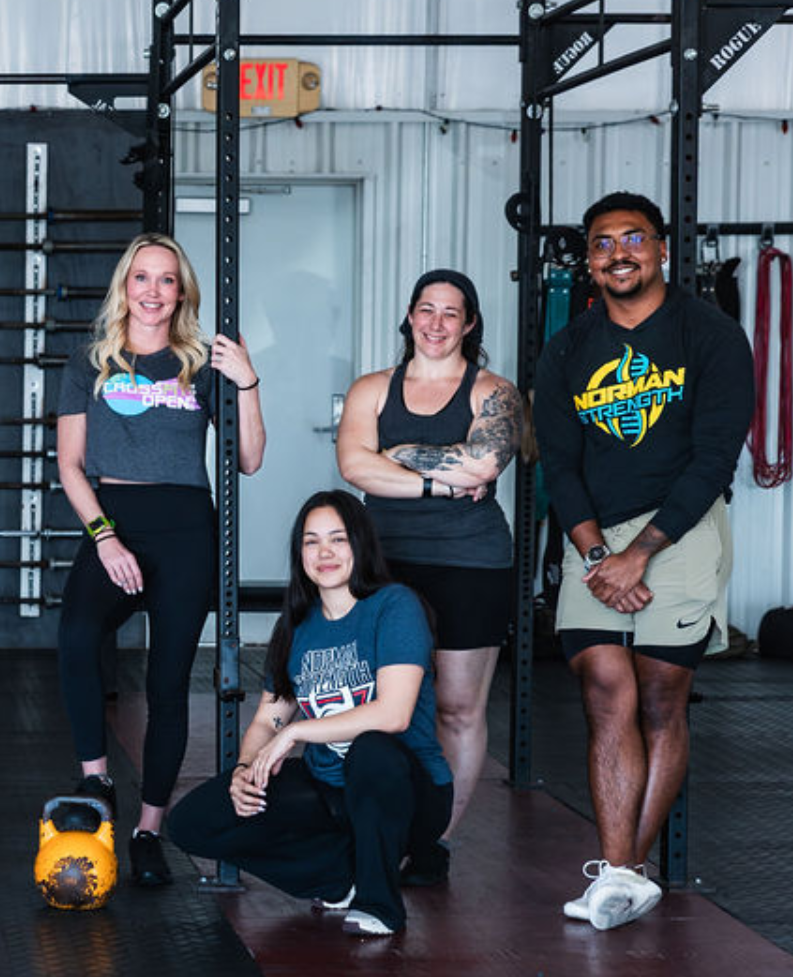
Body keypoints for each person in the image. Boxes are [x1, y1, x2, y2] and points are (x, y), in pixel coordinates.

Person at [535, 191, 753, 931]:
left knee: (661, 699)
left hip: (681, 532)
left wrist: (642, 554)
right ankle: (624, 874)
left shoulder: (713, 336)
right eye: (602, 242)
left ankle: (620, 874)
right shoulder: (566, 348)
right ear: (588, 261)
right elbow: (559, 467)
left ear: (661, 249)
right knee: (604, 690)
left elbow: (714, 456)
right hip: (594, 540)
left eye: (634, 238)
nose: (618, 252)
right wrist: (599, 553)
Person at [55, 232, 265, 887]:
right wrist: (105, 537)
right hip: (114, 519)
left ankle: (149, 831)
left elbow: (249, 459)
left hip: (183, 527)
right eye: (141, 278)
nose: (152, 291)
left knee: (169, 683)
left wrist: (248, 380)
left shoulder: (200, 364)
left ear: (182, 292)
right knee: (77, 637)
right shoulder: (89, 361)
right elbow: (69, 464)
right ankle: (97, 784)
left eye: (165, 280)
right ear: (125, 286)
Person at [165, 491, 452, 938]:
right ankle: (338, 880)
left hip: (409, 794)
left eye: (338, 539)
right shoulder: (297, 625)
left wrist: (296, 732)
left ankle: (381, 906)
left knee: (372, 749)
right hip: (331, 790)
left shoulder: (395, 606)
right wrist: (245, 769)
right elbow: (267, 719)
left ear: (360, 545)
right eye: (311, 541)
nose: (324, 553)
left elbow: (393, 714)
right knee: (193, 822)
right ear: (299, 554)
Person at [335, 269, 519, 880]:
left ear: (469, 324)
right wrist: (441, 479)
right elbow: (354, 469)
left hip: (470, 559)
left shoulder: (494, 392)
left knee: (458, 709)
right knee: (383, 704)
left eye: (450, 313)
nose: (436, 323)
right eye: (426, 310)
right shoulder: (371, 389)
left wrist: (395, 455)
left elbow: (487, 459)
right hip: (383, 559)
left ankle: (433, 840)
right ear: (409, 317)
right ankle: (379, 826)